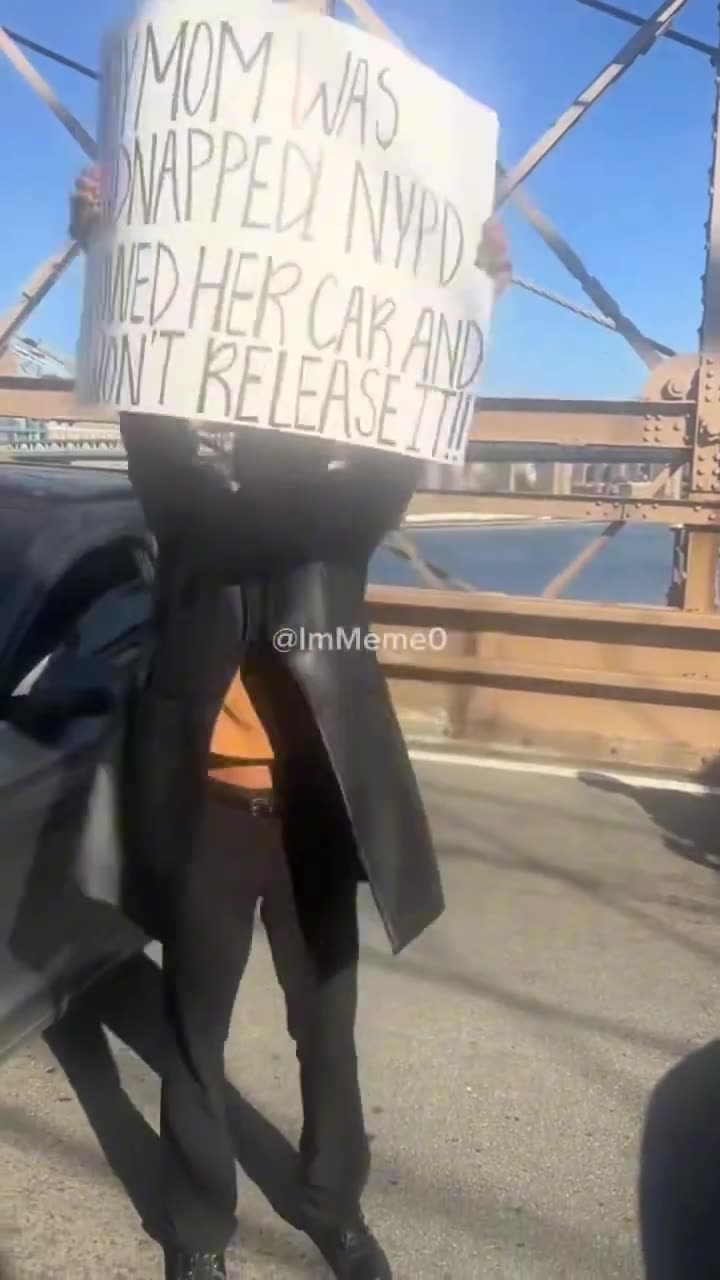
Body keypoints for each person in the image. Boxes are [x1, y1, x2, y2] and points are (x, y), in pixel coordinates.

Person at [70, 166, 511, 1280]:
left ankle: (334, 1207)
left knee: (327, 1029)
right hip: (211, 813)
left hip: (314, 812)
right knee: (195, 1032)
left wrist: (476, 298)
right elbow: (149, 404)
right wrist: (110, 244)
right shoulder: (189, 522)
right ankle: (198, 1231)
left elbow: (405, 428)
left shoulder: (340, 532)